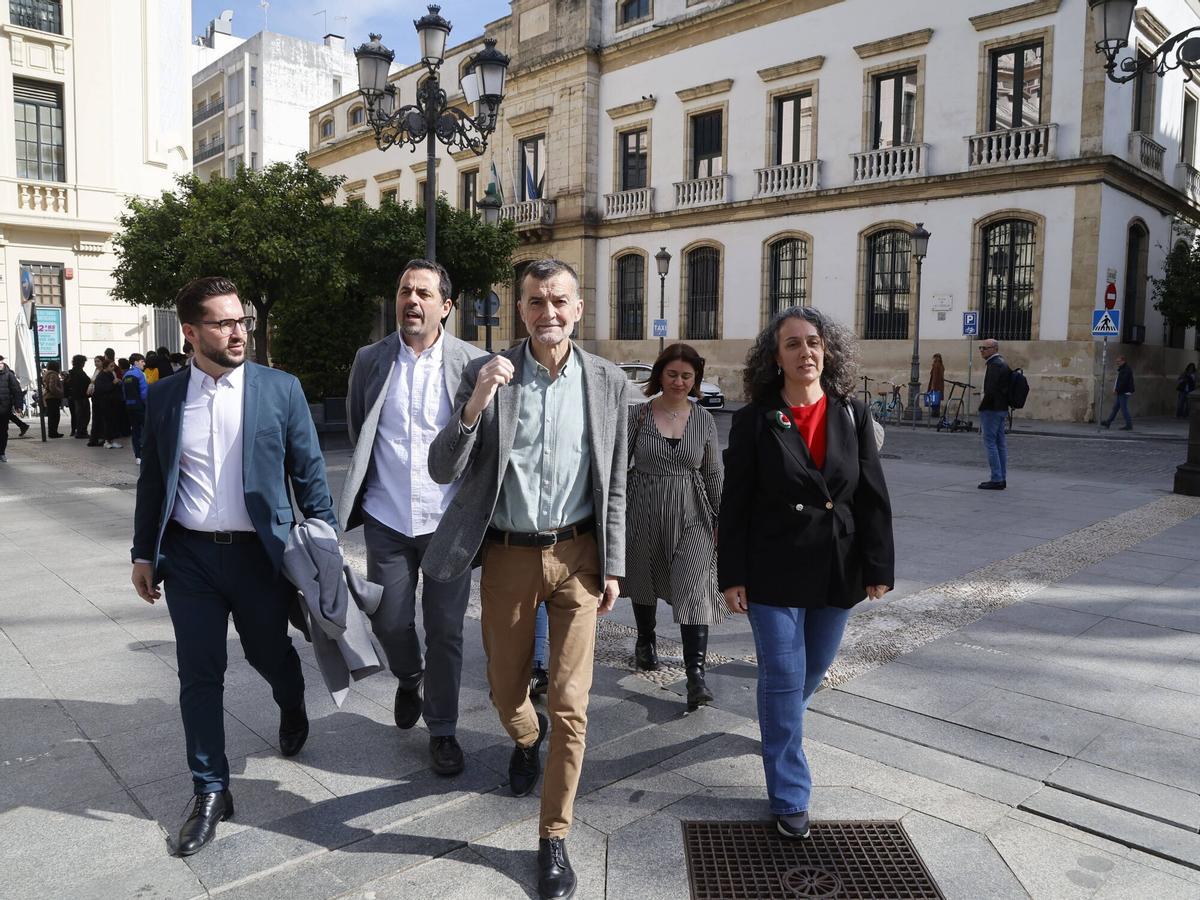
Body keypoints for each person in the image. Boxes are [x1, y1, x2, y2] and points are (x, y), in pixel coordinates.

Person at [425, 258, 629, 900]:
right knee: (505, 688)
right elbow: (441, 467)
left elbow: (615, 480)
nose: (549, 313)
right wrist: (477, 402)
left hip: (579, 556)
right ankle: (524, 737)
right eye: (537, 302)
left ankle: (553, 837)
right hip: (509, 556)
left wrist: (614, 563)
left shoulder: (607, 380)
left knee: (572, 704)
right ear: (521, 310)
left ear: (578, 307)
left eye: (560, 300)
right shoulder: (488, 373)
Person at [130, 276, 336, 857]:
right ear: (191, 333)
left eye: (241, 320)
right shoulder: (166, 397)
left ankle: (291, 699)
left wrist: (324, 546)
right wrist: (144, 553)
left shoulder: (280, 389)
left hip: (258, 555)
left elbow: (310, 475)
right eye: (222, 323)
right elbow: (153, 481)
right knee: (199, 673)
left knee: (268, 652)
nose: (238, 331)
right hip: (189, 558)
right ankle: (211, 790)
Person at [718, 306, 894, 840]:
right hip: (773, 567)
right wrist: (732, 574)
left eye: (813, 342)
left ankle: (779, 725)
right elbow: (735, 504)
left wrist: (878, 565)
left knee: (812, 669)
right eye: (792, 344)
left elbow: (872, 496)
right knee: (783, 675)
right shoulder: (755, 419)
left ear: (827, 350)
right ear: (775, 358)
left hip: (838, 565)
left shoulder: (852, 414)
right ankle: (790, 794)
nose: (805, 352)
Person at [339, 259, 485, 777]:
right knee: (388, 619)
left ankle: (442, 729)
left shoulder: (472, 363)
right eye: (405, 290)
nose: (412, 300)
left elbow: (482, 444)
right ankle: (409, 676)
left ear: (446, 306)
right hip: (387, 517)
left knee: (446, 630)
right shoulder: (370, 360)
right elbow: (360, 428)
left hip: (449, 522)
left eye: (424, 292)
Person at [624, 342, 724, 711]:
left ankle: (695, 674)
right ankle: (645, 640)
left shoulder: (704, 420)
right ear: (659, 375)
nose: (679, 382)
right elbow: (618, 465)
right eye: (672, 374)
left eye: (686, 376)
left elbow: (713, 472)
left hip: (692, 511)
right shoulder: (638, 415)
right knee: (644, 577)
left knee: (694, 587)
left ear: (696, 379)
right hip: (643, 506)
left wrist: (721, 518)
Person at [977, 338, 1011, 490]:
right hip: (1001, 408)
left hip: (992, 409)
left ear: (994, 349)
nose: (981, 350)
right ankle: (1001, 477)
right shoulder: (1002, 363)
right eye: (981, 348)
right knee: (1000, 444)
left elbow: (990, 390)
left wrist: (982, 406)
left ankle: (996, 478)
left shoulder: (994, 365)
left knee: (990, 443)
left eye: (984, 348)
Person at [123, 353, 149, 463]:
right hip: (140, 406)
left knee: (135, 431)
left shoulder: (126, 375)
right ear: (136, 362)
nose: (144, 364)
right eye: (142, 361)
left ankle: (138, 456)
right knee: (147, 429)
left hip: (129, 406)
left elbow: (124, 393)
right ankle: (147, 454)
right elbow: (144, 393)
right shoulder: (140, 374)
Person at [1101, 356, 1135, 431]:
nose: (1117, 363)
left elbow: (1124, 382)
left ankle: (1129, 425)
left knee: (1124, 409)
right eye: (1116, 361)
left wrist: (1117, 390)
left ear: (1123, 361)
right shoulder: (1122, 369)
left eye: (1118, 361)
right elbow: (1120, 381)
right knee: (1115, 408)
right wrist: (1116, 389)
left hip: (1124, 392)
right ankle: (1108, 422)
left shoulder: (1126, 369)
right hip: (1122, 391)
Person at [0, 356, 23, 461]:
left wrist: (18, 406)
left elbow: (17, 391)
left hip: (4, 408)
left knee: (3, 431)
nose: (0, 364)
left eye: (1, 362)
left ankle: (1, 452)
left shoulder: (9, 375)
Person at [66, 355, 91, 438]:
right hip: (81, 397)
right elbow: (85, 383)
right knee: (84, 415)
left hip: (74, 397)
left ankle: (76, 431)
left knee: (77, 415)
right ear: (81, 363)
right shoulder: (79, 373)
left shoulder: (71, 373)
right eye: (83, 362)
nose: (84, 364)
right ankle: (81, 432)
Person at [41, 360, 65, 438]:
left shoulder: (46, 374)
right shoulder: (53, 375)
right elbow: (52, 387)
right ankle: (53, 432)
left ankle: (52, 432)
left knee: (52, 416)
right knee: (55, 416)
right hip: (53, 397)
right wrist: (60, 392)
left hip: (48, 397)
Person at [86, 355, 107, 446]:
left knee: (100, 418)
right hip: (95, 397)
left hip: (100, 397)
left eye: (98, 361)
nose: (96, 363)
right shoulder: (96, 370)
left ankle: (100, 437)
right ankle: (95, 438)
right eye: (95, 361)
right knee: (96, 418)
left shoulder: (104, 372)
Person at [927, 353, 945, 419]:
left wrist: (932, 387)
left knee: (934, 399)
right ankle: (937, 413)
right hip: (940, 385)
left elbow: (934, 377)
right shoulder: (941, 365)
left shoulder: (936, 365)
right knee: (937, 399)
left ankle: (934, 413)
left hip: (936, 385)